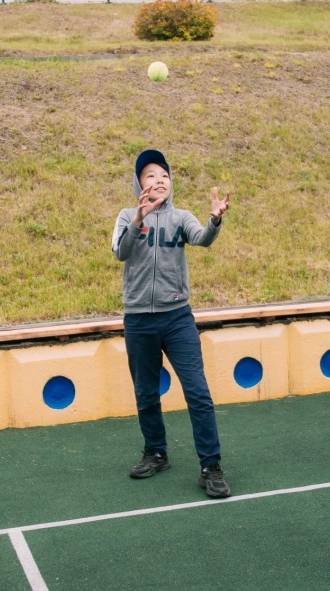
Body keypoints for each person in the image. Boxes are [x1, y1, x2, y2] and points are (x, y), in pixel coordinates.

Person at [111, 148, 232, 498]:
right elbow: (120, 251)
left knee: (197, 392)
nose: (159, 180)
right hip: (138, 320)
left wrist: (214, 220)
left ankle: (211, 466)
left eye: (164, 175)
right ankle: (156, 452)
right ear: (139, 184)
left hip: (177, 318)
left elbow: (202, 239)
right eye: (150, 175)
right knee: (146, 392)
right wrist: (138, 219)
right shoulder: (126, 216)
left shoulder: (181, 217)